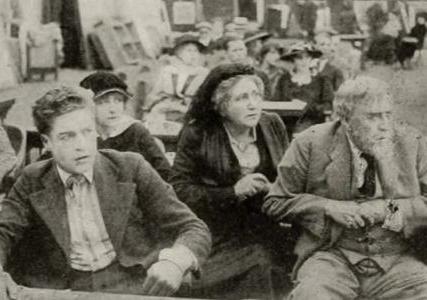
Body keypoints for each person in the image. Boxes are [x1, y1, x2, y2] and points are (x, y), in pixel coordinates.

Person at [0, 87, 211, 297]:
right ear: (46, 142)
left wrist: (174, 262)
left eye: (87, 132)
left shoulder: (130, 167)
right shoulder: (32, 178)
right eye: (67, 136)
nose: (82, 145)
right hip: (64, 289)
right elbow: (2, 231)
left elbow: (192, 227)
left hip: (132, 285)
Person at [263, 76, 427, 299]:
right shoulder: (309, 143)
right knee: (312, 295)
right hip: (331, 256)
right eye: (373, 117)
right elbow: (276, 202)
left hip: (398, 260)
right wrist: (328, 207)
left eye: (388, 115)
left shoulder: (413, 142)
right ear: (346, 120)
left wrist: (387, 211)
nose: (385, 126)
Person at [170, 64, 291, 300]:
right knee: (255, 263)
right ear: (221, 106)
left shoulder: (272, 124)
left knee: (269, 262)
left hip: (267, 228)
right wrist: (232, 191)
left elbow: (290, 178)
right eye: (242, 98)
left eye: (256, 95)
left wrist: (274, 188)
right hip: (216, 231)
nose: (253, 104)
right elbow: (179, 190)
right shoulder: (198, 133)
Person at [80, 71, 171, 180]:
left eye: (118, 101)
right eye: (103, 102)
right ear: (89, 106)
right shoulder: (81, 135)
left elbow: (165, 173)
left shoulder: (135, 130)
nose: (113, 109)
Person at [144, 34, 209, 126]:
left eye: (196, 51)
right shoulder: (167, 70)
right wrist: (158, 106)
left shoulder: (203, 73)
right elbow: (155, 93)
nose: (193, 54)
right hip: (166, 108)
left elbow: (206, 98)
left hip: (191, 110)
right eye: (189, 50)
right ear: (179, 53)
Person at [273, 42, 334, 133]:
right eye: (299, 58)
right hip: (287, 127)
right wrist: (290, 107)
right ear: (292, 59)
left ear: (311, 58)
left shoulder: (322, 80)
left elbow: (328, 106)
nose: (304, 61)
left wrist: (305, 107)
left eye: (307, 57)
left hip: (314, 128)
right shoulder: (284, 80)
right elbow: (275, 103)